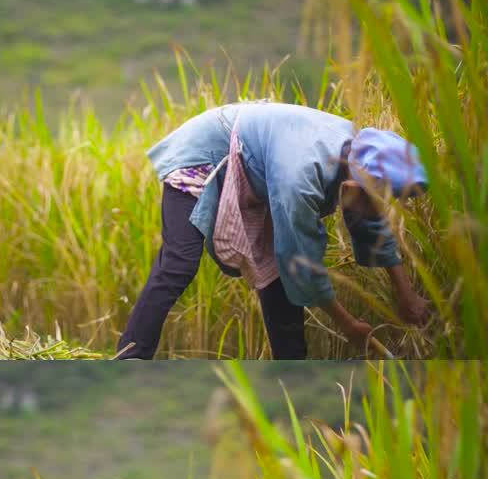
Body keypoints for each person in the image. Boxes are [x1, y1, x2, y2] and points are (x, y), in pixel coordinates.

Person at [117, 101, 431, 359]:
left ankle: (290, 373)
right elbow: (299, 260)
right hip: (207, 152)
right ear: (355, 184)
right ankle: (131, 356)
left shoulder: (357, 153)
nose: (377, 207)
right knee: (180, 261)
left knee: (276, 281)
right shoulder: (301, 174)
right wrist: (347, 325)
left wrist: (406, 294)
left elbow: (370, 221)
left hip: (256, 168)